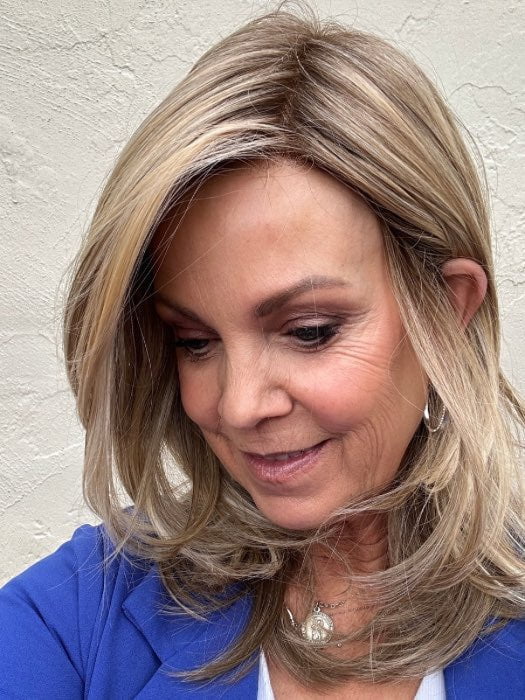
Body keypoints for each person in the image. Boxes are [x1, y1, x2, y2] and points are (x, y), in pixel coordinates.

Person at [1, 3, 524, 698]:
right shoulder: (75, 618)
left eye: (309, 331)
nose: (239, 405)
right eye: (195, 342)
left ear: (447, 309)